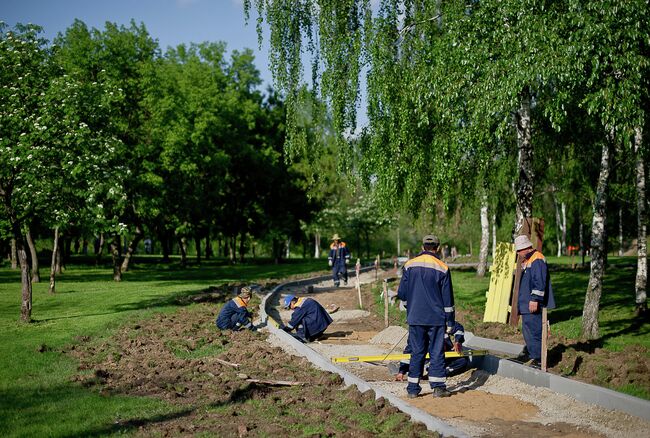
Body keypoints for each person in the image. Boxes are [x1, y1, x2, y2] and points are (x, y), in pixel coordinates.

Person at [397, 234, 456, 398]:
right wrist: (450, 321)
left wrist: (411, 308)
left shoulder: (409, 265)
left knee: (416, 351)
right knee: (436, 351)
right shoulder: (442, 267)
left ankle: (412, 389)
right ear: (438, 248)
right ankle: (438, 388)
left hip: (415, 317)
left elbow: (402, 293)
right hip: (436, 319)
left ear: (422, 247)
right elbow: (448, 300)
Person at [514, 234, 556, 368]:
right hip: (526, 305)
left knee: (535, 332)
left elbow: (539, 281)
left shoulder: (537, 259)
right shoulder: (529, 259)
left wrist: (535, 299)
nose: (518, 253)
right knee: (528, 331)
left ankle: (538, 359)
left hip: (532, 304)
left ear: (526, 247)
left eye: (519, 250)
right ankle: (532, 354)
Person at [394, 321, 469, 381]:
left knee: (463, 360)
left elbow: (458, 328)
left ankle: (440, 371)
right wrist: (402, 372)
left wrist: (458, 341)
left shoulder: (441, 323)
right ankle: (431, 371)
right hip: (430, 360)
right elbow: (409, 351)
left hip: (445, 356)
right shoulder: (418, 332)